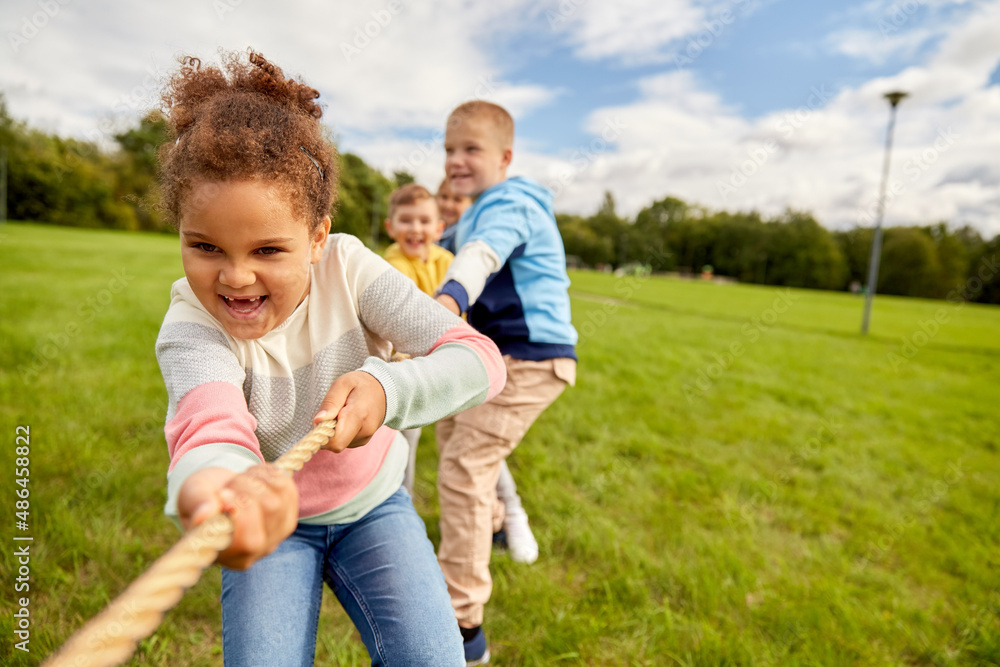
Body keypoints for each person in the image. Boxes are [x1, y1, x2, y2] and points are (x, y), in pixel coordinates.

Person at [153, 51, 506, 666]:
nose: (236, 278)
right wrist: (216, 490)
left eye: (268, 248)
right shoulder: (191, 325)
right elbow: (209, 431)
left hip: (374, 506)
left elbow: (478, 358)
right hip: (274, 525)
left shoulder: (349, 268)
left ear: (318, 238)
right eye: (205, 246)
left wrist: (386, 391)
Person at [433, 100, 578, 664]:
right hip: (502, 355)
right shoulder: (473, 210)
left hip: (530, 358)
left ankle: (463, 624)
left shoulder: (511, 205)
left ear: (505, 157)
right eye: (449, 149)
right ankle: (491, 529)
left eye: (471, 149)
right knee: (452, 434)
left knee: (464, 468)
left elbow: (481, 254)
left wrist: (451, 297)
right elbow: (441, 250)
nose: (456, 160)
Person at [381, 183, 453, 493]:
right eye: (406, 220)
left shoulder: (446, 260)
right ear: (390, 227)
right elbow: (416, 316)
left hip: (439, 358)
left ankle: (502, 506)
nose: (415, 229)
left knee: (469, 433)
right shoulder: (392, 263)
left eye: (424, 221)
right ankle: (400, 497)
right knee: (401, 436)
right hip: (401, 364)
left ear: (439, 228)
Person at [435, 176, 472, 254]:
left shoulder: (462, 237)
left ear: (471, 204)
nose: (448, 205)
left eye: (457, 200)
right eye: (444, 197)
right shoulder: (431, 228)